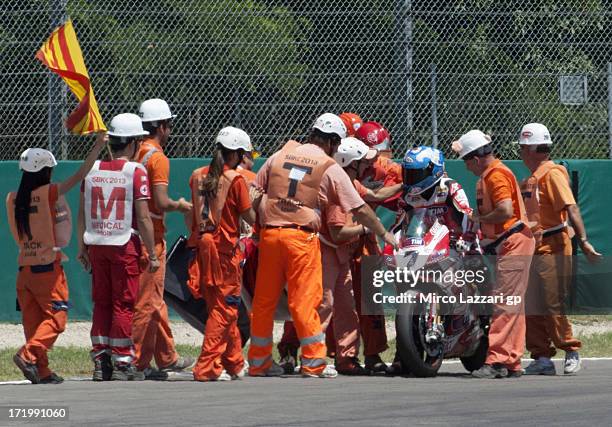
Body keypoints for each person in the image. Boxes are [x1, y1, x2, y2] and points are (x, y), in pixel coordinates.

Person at [248, 113, 397, 378]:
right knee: (307, 301)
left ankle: (259, 362)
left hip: (270, 235)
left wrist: (260, 222)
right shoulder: (329, 166)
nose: (338, 148)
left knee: (263, 302)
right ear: (330, 142)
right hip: (301, 239)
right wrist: (383, 232)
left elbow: (253, 192)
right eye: (337, 143)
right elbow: (360, 208)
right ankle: (314, 362)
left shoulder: (279, 155)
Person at [7, 135, 106, 384]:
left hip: (25, 272)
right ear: (43, 171)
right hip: (47, 272)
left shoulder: (12, 198)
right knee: (56, 319)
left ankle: (42, 371)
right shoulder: (47, 193)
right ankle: (28, 355)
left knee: (34, 324)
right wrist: (97, 147)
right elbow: (80, 175)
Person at [77, 113, 160, 381]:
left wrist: (81, 246)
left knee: (101, 302)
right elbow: (144, 217)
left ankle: (101, 359)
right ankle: (123, 360)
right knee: (123, 303)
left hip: (97, 243)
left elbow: (82, 212)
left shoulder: (92, 169)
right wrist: (153, 251)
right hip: (125, 243)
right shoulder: (135, 171)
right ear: (135, 143)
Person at [517, 123, 602, 375]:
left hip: (553, 244)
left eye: (523, 148)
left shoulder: (552, 174)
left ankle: (570, 349)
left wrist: (584, 240)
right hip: (533, 245)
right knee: (531, 303)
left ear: (533, 149)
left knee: (552, 302)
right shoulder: (530, 179)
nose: (521, 153)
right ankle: (541, 356)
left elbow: (571, 207)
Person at [386, 145, 476, 375]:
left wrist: (465, 237)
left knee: (478, 266)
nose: (411, 179)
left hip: (454, 243)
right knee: (403, 285)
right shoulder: (407, 196)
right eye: (409, 174)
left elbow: (466, 215)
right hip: (423, 247)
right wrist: (389, 243)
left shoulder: (449, 188)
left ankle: (482, 320)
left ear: (434, 171)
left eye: (416, 174)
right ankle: (405, 350)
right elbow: (400, 224)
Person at [452, 129, 535, 379]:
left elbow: (504, 210)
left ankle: (497, 360)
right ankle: (512, 361)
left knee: (503, 302)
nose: (465, 166)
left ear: (476, 158)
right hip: (510, 243)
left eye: (465, 160)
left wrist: (478, 219)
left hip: (514, 242)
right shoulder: (489, 175)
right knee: (512, 304)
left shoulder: (496, 175)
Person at [188, 127, 257, 381]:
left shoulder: (196, 176)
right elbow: (249, 215)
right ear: (238, 154)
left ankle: (234, 362)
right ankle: (206, 367)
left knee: (218, 306)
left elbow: (192, 214)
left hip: (202, 250)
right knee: (225, 310)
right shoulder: (235, 180)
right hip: (224, 254)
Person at [132, 98, 194, 377]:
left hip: (130, 233)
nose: (170, 130)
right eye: (168, 124)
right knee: (148, 301)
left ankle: (167, 356)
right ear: (160, 126)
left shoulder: (133, 151)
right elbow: (160, 200)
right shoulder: (157, 158)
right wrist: (181, 205)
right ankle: (135, 362)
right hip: (150, 235)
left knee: (154, 299)